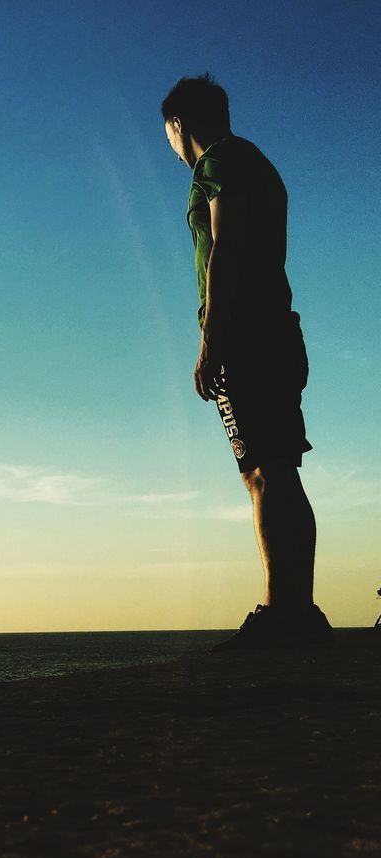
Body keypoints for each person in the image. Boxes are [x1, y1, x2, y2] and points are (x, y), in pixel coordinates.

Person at [160, 73, 332, 650]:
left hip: (244, 334)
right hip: (275, 328)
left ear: (181, 123)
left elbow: (224, 249)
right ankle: (296, 608)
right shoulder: (258, 163)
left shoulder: (219, 165)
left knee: (262, 472)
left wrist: (211, 341)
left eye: (168, 134)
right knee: (279, 467)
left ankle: (281, 612)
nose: (171, 146)